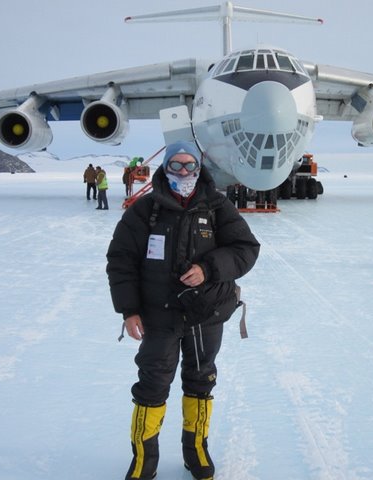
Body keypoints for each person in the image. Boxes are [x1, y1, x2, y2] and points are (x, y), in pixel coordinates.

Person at [106, 140, 260, 480]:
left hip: (206, 314)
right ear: (165, 168)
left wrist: (208, 269)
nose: (183, 172)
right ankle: (143, 461)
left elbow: (246, 249)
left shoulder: (218, 207)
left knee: (201, 380)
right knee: (152, 385)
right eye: (176, 165)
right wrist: (129, 310)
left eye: (190, 165)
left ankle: (197, 451)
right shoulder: (145, 211)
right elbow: (121, 260)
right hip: (158, 316)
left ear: (199, 168)